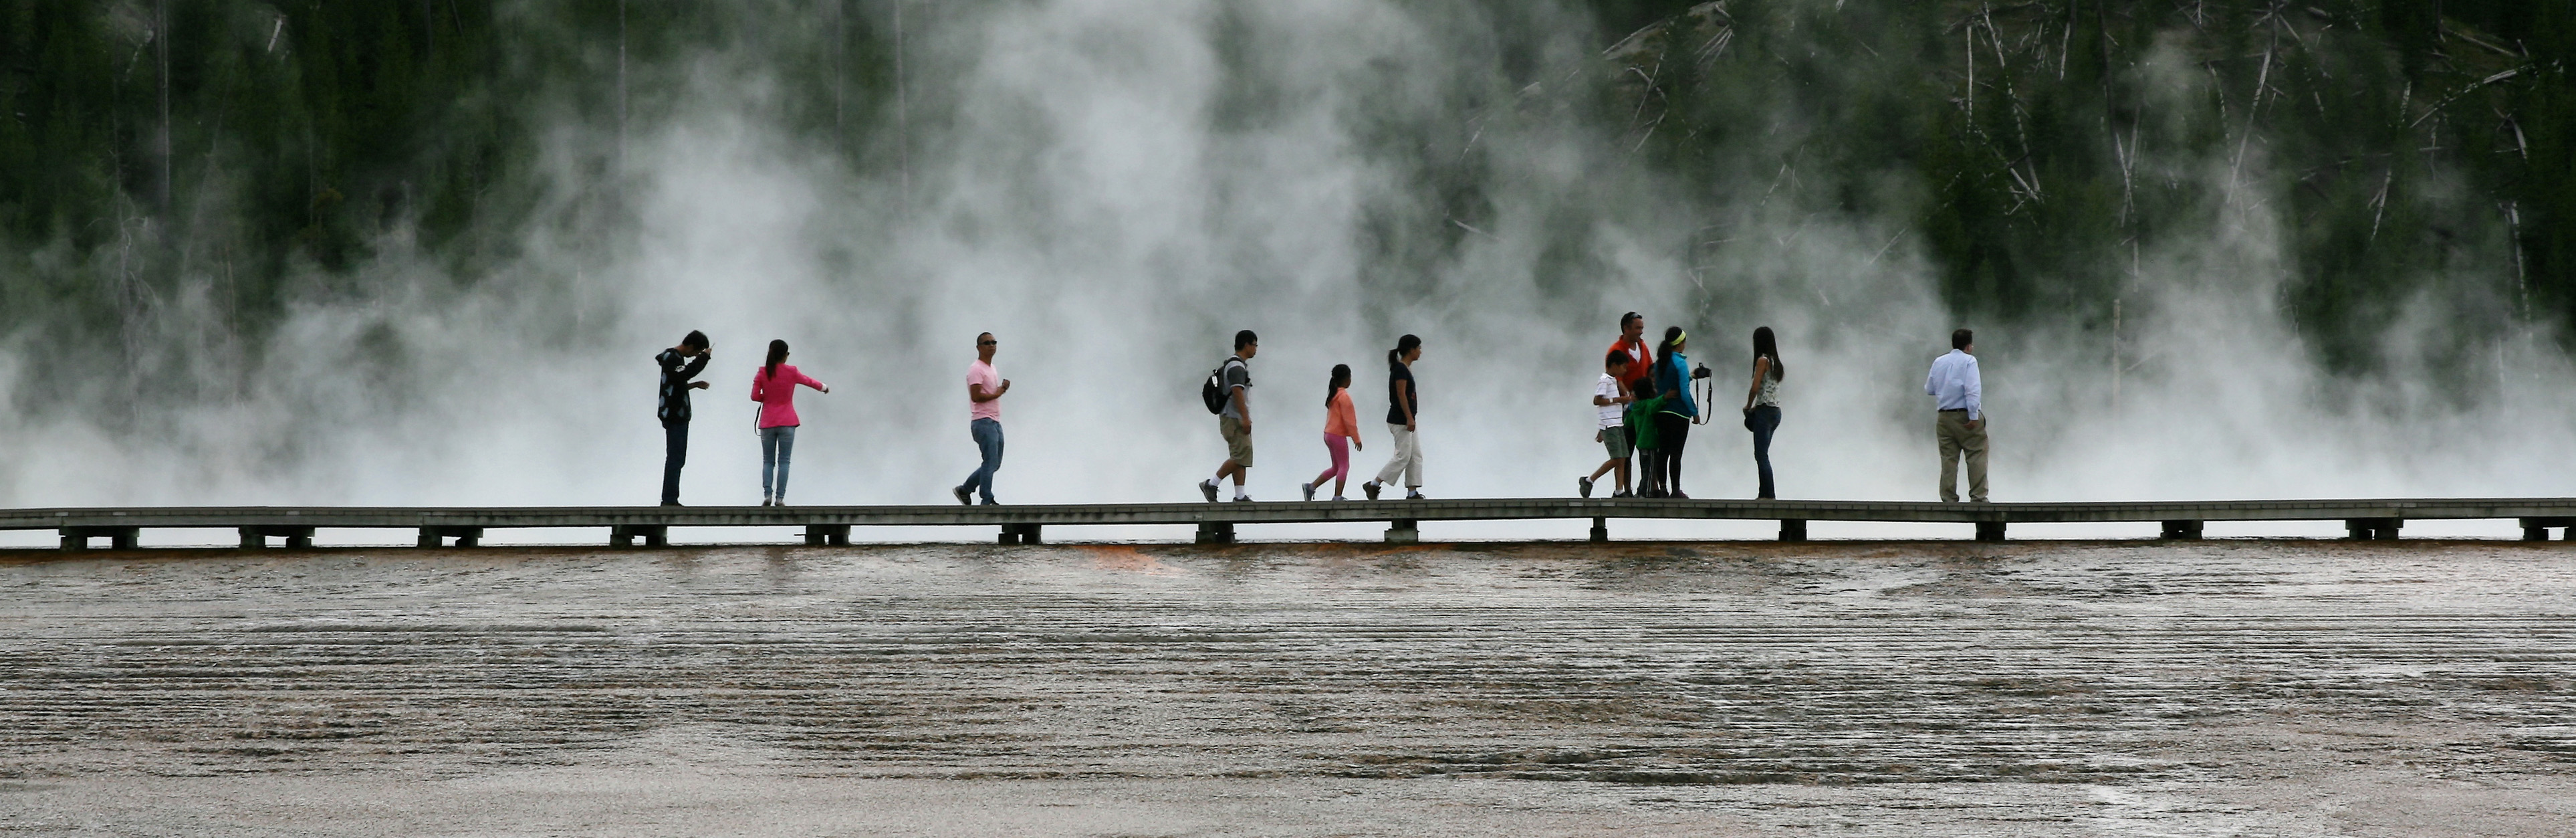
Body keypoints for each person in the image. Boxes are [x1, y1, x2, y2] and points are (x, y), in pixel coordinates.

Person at [751, 339, 829, 506]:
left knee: (768, 461)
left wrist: (769, 398)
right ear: (785, 355)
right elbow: (809, 381)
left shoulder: (762, 373)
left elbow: (755, 396)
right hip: (787, 422)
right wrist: (823, 387)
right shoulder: (792, 372)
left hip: (767, 423)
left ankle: (767, 495)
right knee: (784, 461)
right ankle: (780, 498)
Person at [1925, 328, 1987, 502]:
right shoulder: (1970, 362)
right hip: (1964, 415)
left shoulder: (1939, 361)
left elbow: (1930, 389)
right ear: (1969, 345)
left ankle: (1948, 497)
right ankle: (1978, 497)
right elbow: (1972, 391)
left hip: (1944, 417)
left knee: (1949, 459)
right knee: (1976, 454)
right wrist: (1973, 416)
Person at [1363, 334, 1425, 501]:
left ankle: (1412, 492)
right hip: (1400, 420)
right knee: (1403, 456)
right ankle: (1374, 485)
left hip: (1408, 420)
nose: (1420, 352)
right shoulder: (1400, 369)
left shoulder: (1405, 368)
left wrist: (1411, 418)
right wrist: (1409, 418)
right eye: (1418, 348)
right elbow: (1400, 394)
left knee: (1415, 455)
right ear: (1411, 350)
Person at [654, 330, 712, 506]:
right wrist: (703, 359)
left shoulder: (673, 359)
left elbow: (676, 383)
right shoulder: (673, 358)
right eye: (696, 352)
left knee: (677, 457)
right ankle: (670, 499)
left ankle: (670, 498)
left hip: (675, 414)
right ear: (692, 347)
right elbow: (684, 374)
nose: (694, 356)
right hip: (675, 415)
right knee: (675, 457)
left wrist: (695, 385)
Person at [1200, 330, 1259, 503]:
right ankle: (1211, 484)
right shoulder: (1237, 367)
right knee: (1241, 456)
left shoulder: (1234, 365)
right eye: (1255, 345)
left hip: (1233, 417)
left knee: (1241, 456)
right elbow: (1237, 392)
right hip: (1234, 418)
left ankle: (1240, 495)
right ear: (1246, 345)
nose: (1256, 349)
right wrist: (1245, 418)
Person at [953, 332, 1010, 506]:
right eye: (987, 343)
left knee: (995, 463)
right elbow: (976, 397)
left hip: (994, 421)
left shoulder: (991, 368)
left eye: (994, 342)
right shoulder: (976, 370)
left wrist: (1000, 389)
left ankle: (965, 489)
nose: (991, 346)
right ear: (979, 347)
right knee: (990, 461)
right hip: (983, 421)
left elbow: (989, 393)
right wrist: (999, 392)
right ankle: (987, 499)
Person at [1650, 326, 1700, 499]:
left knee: (1663, 452)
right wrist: (1694, 412)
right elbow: (1684, 392)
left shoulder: (1659, 364)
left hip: (1662, 412)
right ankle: (1676, 490)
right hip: (1679, 414)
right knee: (1676, 454)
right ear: (1680, 344)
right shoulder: (1680, 363)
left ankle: (1662, 488)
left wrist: (1692, 376)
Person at [1302, 364, 1363, 502]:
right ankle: (1337, 497)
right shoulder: (1344, 397)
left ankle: (1310, 487)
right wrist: (1356, 438)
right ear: (1347, 379)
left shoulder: (1334, 395)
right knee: (1344, 466)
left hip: (1328, 434)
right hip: (1338, 435)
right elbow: (1350, 421)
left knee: (1336, 467)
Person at [1609, 312, 1655, 493]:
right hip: (1625, 408)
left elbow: (1651, 369)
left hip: (1643, 406)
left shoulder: (1643, 347)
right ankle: (1625, 489)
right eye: (1638, 328)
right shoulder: (1617, 349)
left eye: (1642, 328)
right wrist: (1629, 396)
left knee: (1646, 447)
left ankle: (1649, 488)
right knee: (1626, 451)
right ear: (1626, 328)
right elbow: (1616, 378)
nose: (1641, 332)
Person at [1580, 351, 1635, 498]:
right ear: (1614, 365)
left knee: (1623, 457)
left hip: (1617, 423)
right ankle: (1589, 480)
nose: (1625, 370)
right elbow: (1597, 401)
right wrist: (1617, 400)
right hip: (1610, 426)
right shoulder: (1604, 380)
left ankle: (1619, 491)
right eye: (1623, 367)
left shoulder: (1613, 380)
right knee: (1617, 458)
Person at [1740, 326, 1786, 500]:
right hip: (1775, 412)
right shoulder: (1776, 362)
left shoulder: (1763, 361)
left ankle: (1768, 495)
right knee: (1763, 454)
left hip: (1765, 413)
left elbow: (1755, 387)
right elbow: (1770, 390)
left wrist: (1748, 405)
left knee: (1761, 455)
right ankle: (1764, 494)